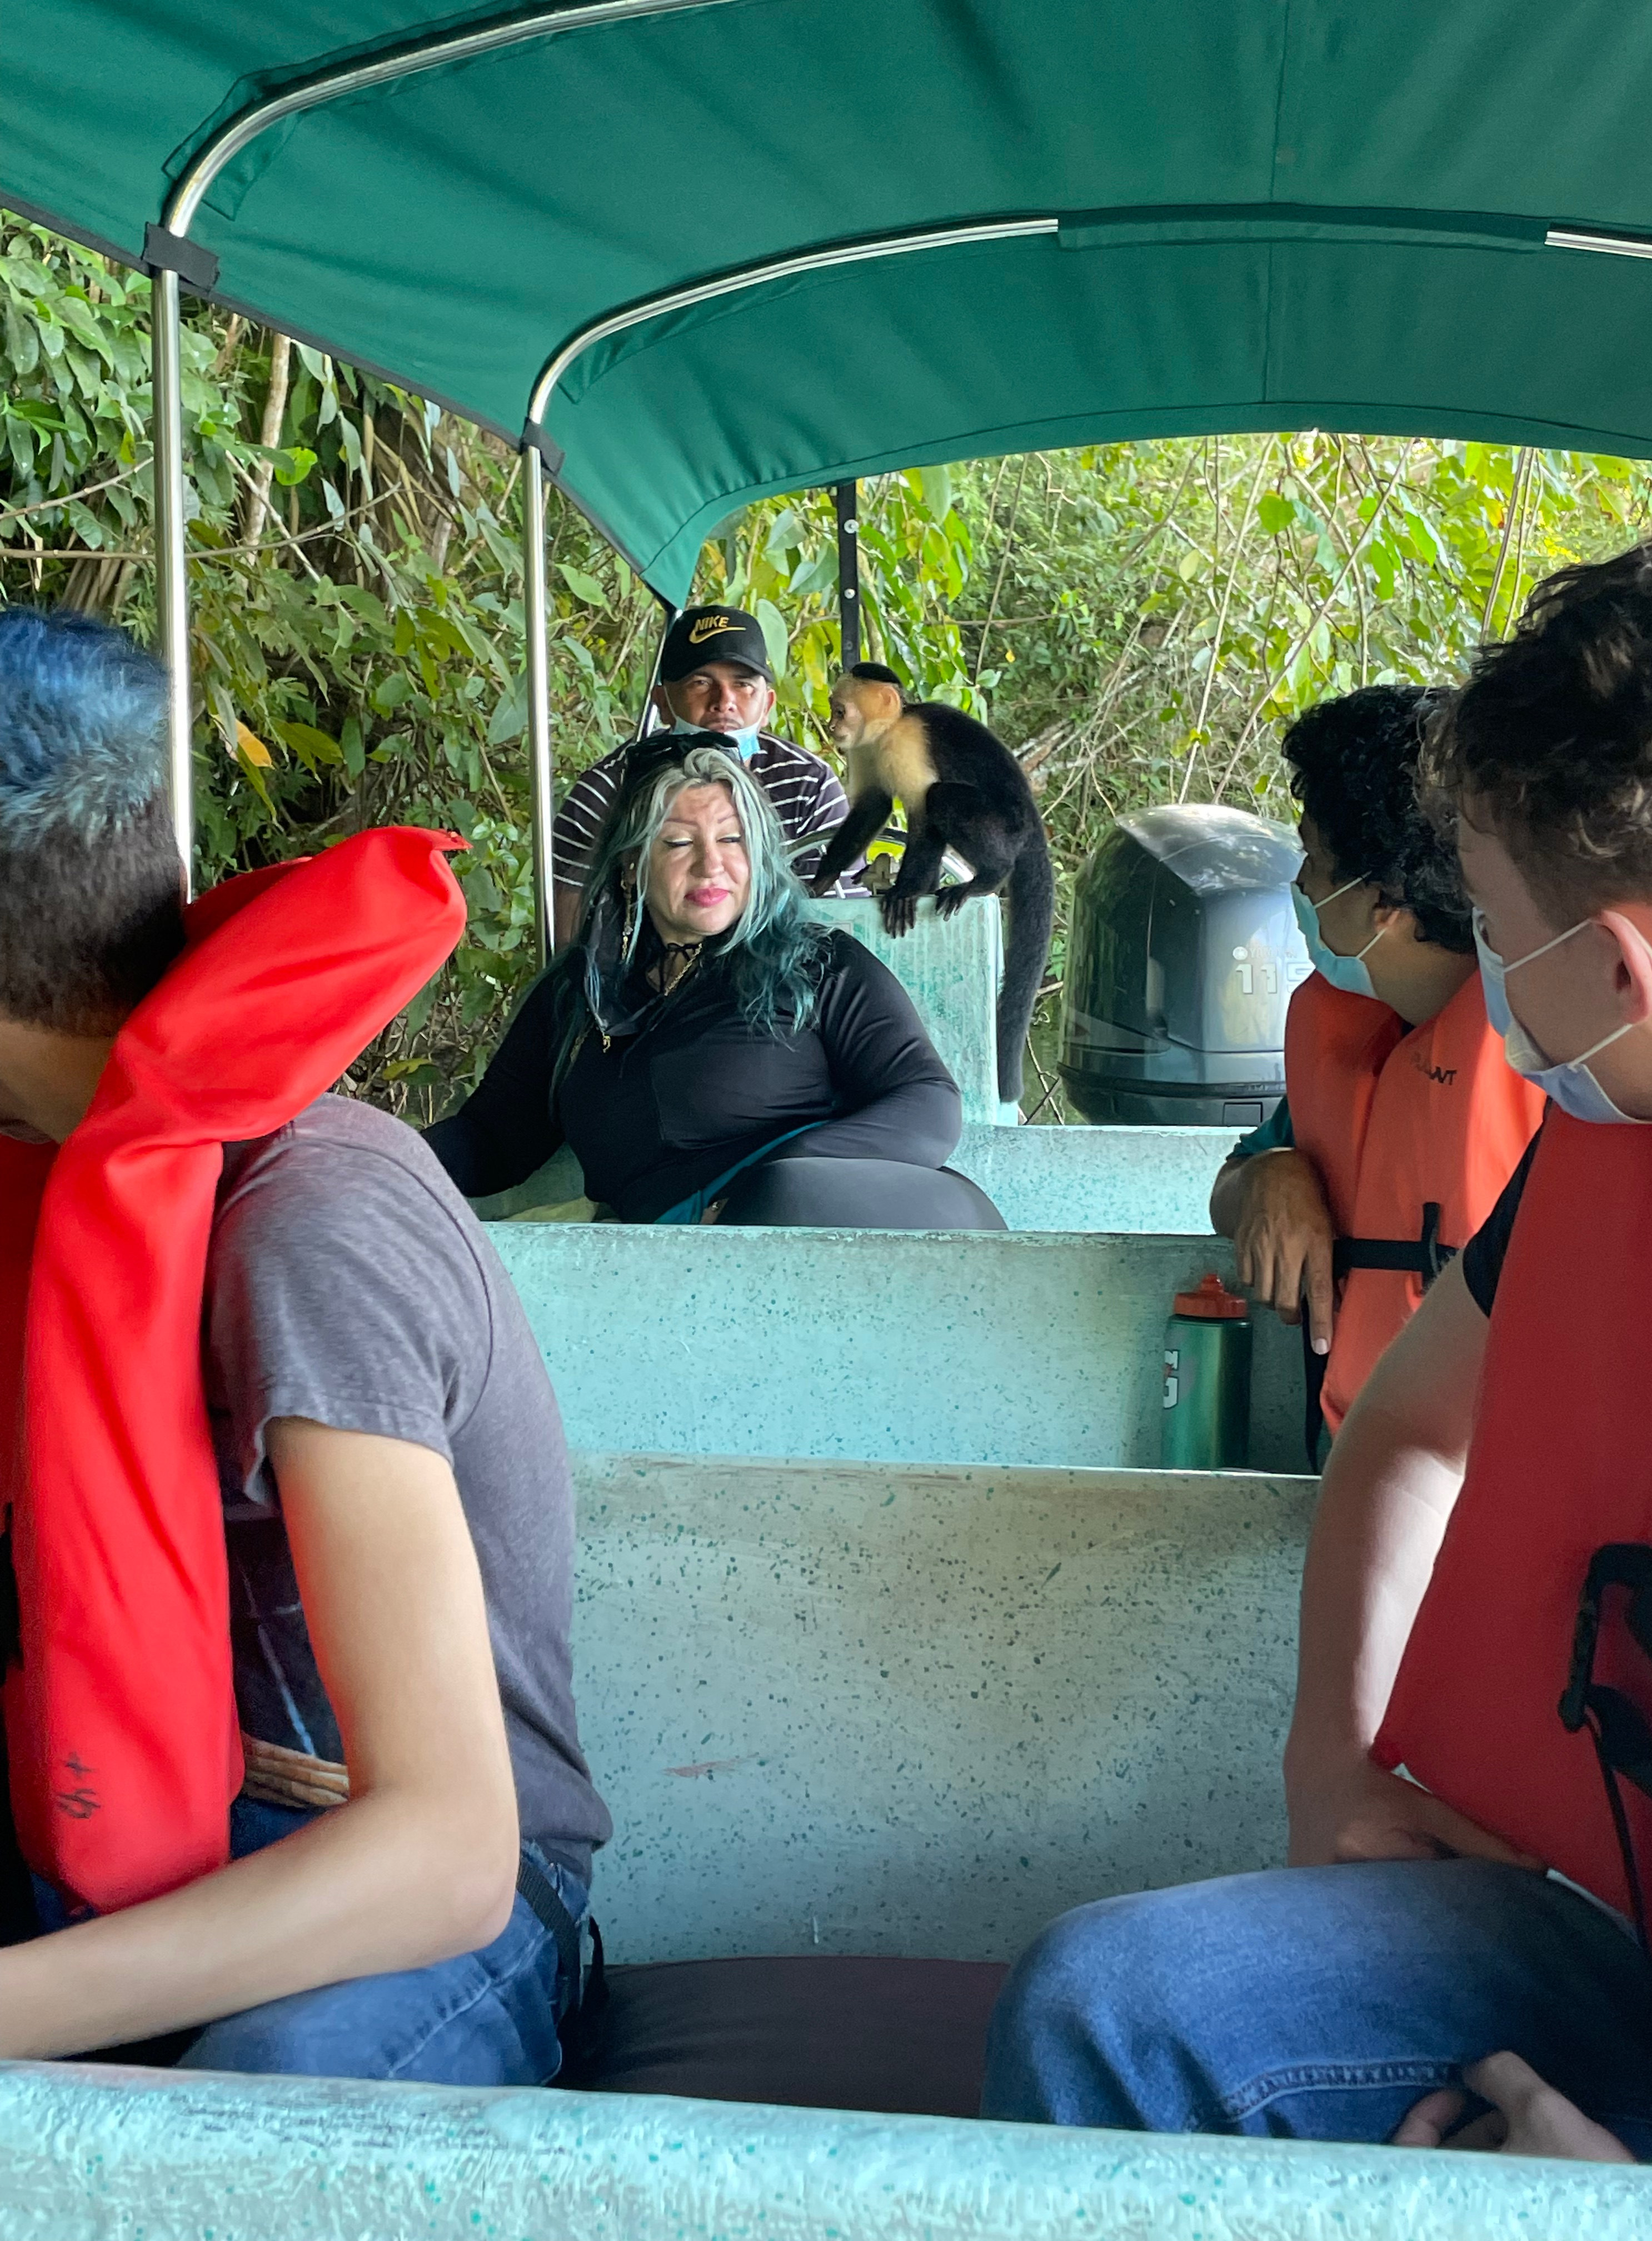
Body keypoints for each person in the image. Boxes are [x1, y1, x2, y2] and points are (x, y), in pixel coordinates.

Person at [983, 540, 1652, 2165]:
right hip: (1627, 1935)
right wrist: (1336, 1762)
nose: (1484, 988)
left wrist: (1629, 2193)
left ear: (1621, 966)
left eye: (1496, 930)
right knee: (1112, 2008)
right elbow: (1409, 1427)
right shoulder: (1611, 1152)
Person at [0, 606, 610, 2080]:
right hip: (128, 1830)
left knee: (257, 2113)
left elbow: (447, 1851)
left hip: (417, 1901)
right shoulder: (43, 1179)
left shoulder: (310, 1226)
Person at [428, 735, 1002, 1229]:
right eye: (678, 842)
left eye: (732, 840)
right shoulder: (579, 996)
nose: (711, 864)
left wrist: (762, 1184)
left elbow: (929, 1107)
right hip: (677, 1266)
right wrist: (367, 1152)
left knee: (782, 1197)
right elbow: (492, 1143)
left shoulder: (817, 962)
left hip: (849, 1227)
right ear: (632, 866)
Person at [1211, 686, 1542, 1459]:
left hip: (1499, 1475)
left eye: (1315, 861)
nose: (1299, 885)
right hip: (1362, 1470)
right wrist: (1272, 1174)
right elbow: (1231, 1185)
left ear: (1383, 905)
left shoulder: (1564, 1059)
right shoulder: (1355, 1029)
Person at [551, 604, 868, 947]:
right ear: (663, 701)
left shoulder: (808, 785)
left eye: (744, 685)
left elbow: (842, 921)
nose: (724, 702)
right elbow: (571, 933)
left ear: (767, 705)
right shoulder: (609, 790)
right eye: (701, 683)